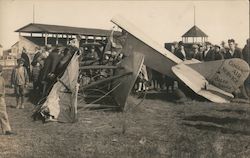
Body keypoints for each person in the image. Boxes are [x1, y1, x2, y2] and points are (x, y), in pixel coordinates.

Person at [0, 64, 15, 135]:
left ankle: (6, 130)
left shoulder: (1, 79)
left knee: (3, 114)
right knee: (3, 114)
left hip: (1, 99)